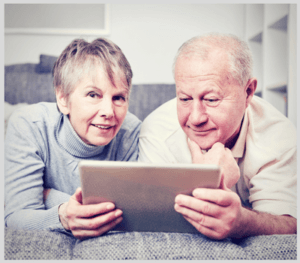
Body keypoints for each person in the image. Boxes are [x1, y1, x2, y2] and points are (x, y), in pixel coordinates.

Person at [138, 33, 297, 240]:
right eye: (184, 98)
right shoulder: (157, 129)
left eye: (211, 99)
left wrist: (243, 221)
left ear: (248, 92)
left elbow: (287, 224)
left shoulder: (277, 135)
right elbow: (152, 221)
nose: (195, 118)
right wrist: (205, 179)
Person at [5, 38, 141, 240]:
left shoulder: (132, 133)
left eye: (118, 97)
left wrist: (49, 196)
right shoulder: (28, 125)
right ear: (62, 98)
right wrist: (63, 215)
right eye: (93, 94)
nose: (108, 112)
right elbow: (16, 216)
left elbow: (131, 215)